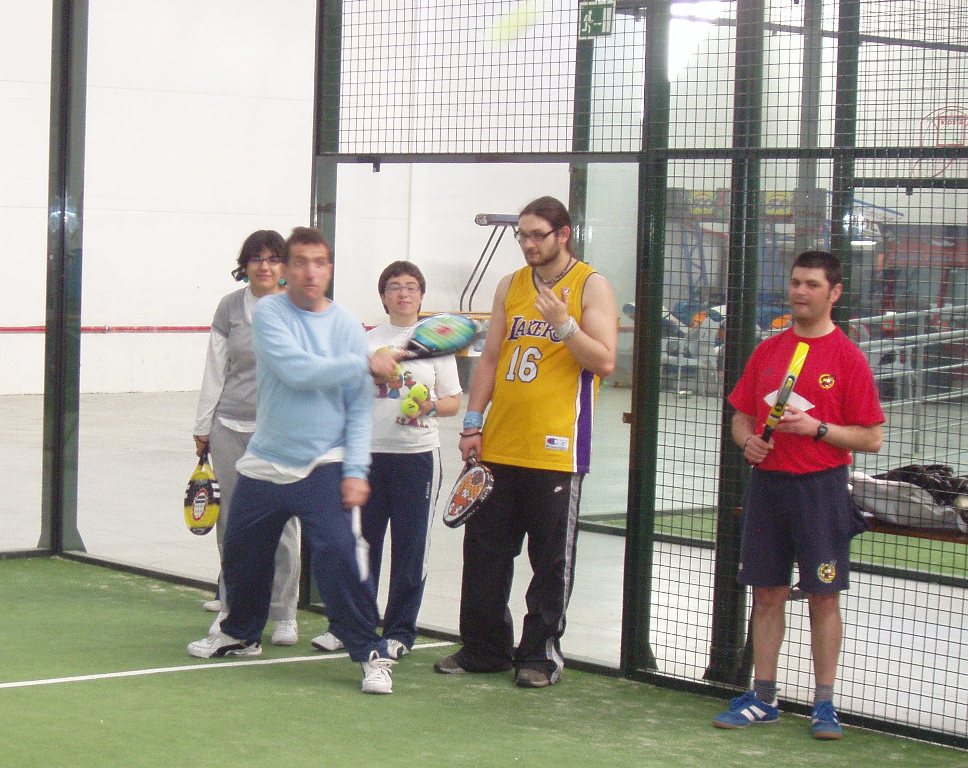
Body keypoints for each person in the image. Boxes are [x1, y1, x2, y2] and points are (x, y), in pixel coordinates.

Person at [187, 227, 402, 695]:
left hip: (324, 463)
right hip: (264, 462)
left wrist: (355, 469)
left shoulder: (346, 324)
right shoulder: (269, 314)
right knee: (243, 552)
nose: (310, 271)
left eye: (320, 262)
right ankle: (241, 633)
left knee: (342, 557)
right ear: (286, 269)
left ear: (329, 268)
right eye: (300, 261)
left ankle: (370, 652)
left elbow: (357, 403)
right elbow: (296, 370)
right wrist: (365, 360)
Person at [434, 196, 617, 688]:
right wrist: (473, 422)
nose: (529, 244)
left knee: (550, 561)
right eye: (523, 236)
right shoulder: (510, 285)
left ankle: (539, 656)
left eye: (538, 235)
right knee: (485, 554)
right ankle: (484, 649)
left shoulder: (591, 285)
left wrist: (565, 325)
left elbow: (602, 361)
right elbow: (491, 357)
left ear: (564, 235)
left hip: (555, 451)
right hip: (499, 446)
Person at [712, 250, 884, 739]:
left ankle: (824, 704)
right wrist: (747, 440)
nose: (800, 292)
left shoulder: (847, 358)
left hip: (821, 490)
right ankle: (763, 697)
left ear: (834, 293)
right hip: (769, 487)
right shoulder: (769, 351)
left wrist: (817, 428)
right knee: (767, 594)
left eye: (811, 284)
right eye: (795, 282)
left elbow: (871, 437)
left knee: (822, 596)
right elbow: (741, 414)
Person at [311, 261, 462, 659]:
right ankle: (353, 626)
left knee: (411, 547)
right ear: (383, 295)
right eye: (394, 286)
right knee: (362, 546)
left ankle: (400, 632)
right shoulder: (365, 340)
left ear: (421, 296)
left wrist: (428, 406)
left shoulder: (437, 345)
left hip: (417, 459)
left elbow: (452, 402)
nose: (403, 293)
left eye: (411, 287)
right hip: (366, 458)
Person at [192, 230, 301, 647]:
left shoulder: (299, 309)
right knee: (232, 526)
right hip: (228, 430)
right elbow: (214, 370)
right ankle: (232, 608)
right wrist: (203, 427)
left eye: (274, 259)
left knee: (285, 525)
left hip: (280, 433)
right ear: (245, 265)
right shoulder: (229, 307)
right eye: (256, 258)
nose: (265, 266)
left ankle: (285, 613)